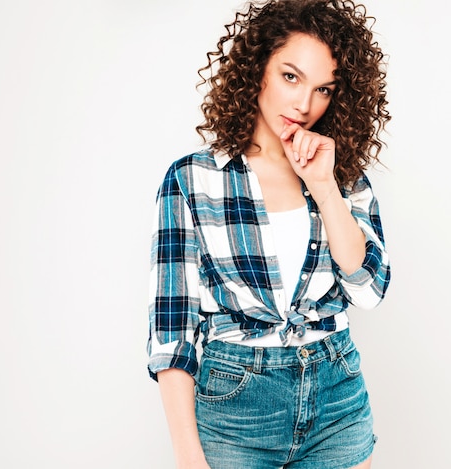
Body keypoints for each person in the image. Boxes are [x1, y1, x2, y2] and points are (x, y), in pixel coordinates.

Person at [147, 0, 391, 467]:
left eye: (323, 89)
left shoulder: (341, 178)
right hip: (236, 406)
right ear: (257, 69)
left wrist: (323, 186)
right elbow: (171, 327)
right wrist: (187, 455)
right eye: (291, 77)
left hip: (337, 396)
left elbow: (369, 290)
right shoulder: (192, 179)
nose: (304, 105)